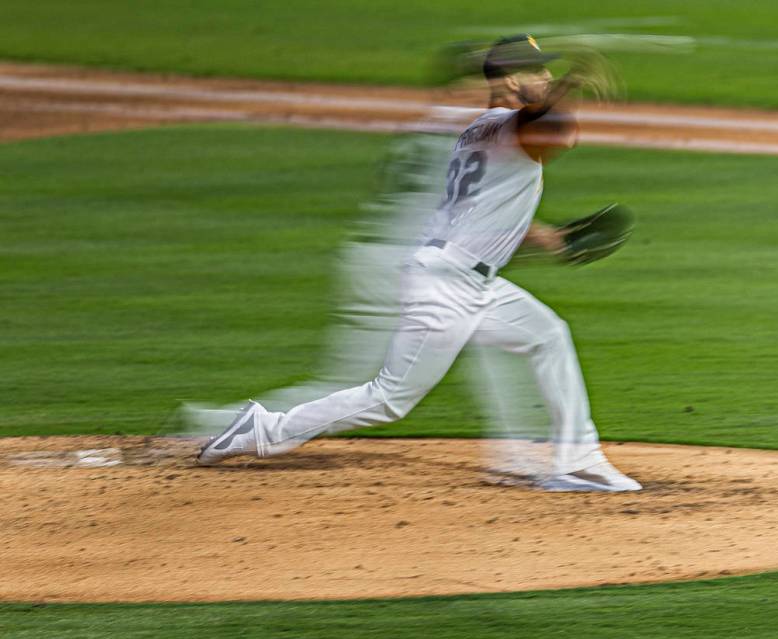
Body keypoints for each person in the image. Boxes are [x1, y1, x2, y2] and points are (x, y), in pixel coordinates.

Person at [196, 35, 642, 492]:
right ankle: (262, 429)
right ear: (510, 80)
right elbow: (556, 131)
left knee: (548, 335)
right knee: (390, 399)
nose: (546, 76)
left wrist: (554, 238)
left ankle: (578, 459)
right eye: (538, 70)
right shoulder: (508, 127)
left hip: (471, 281)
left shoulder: (487, 128)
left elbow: (496, 204)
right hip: (447, 286)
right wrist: (573, 82)